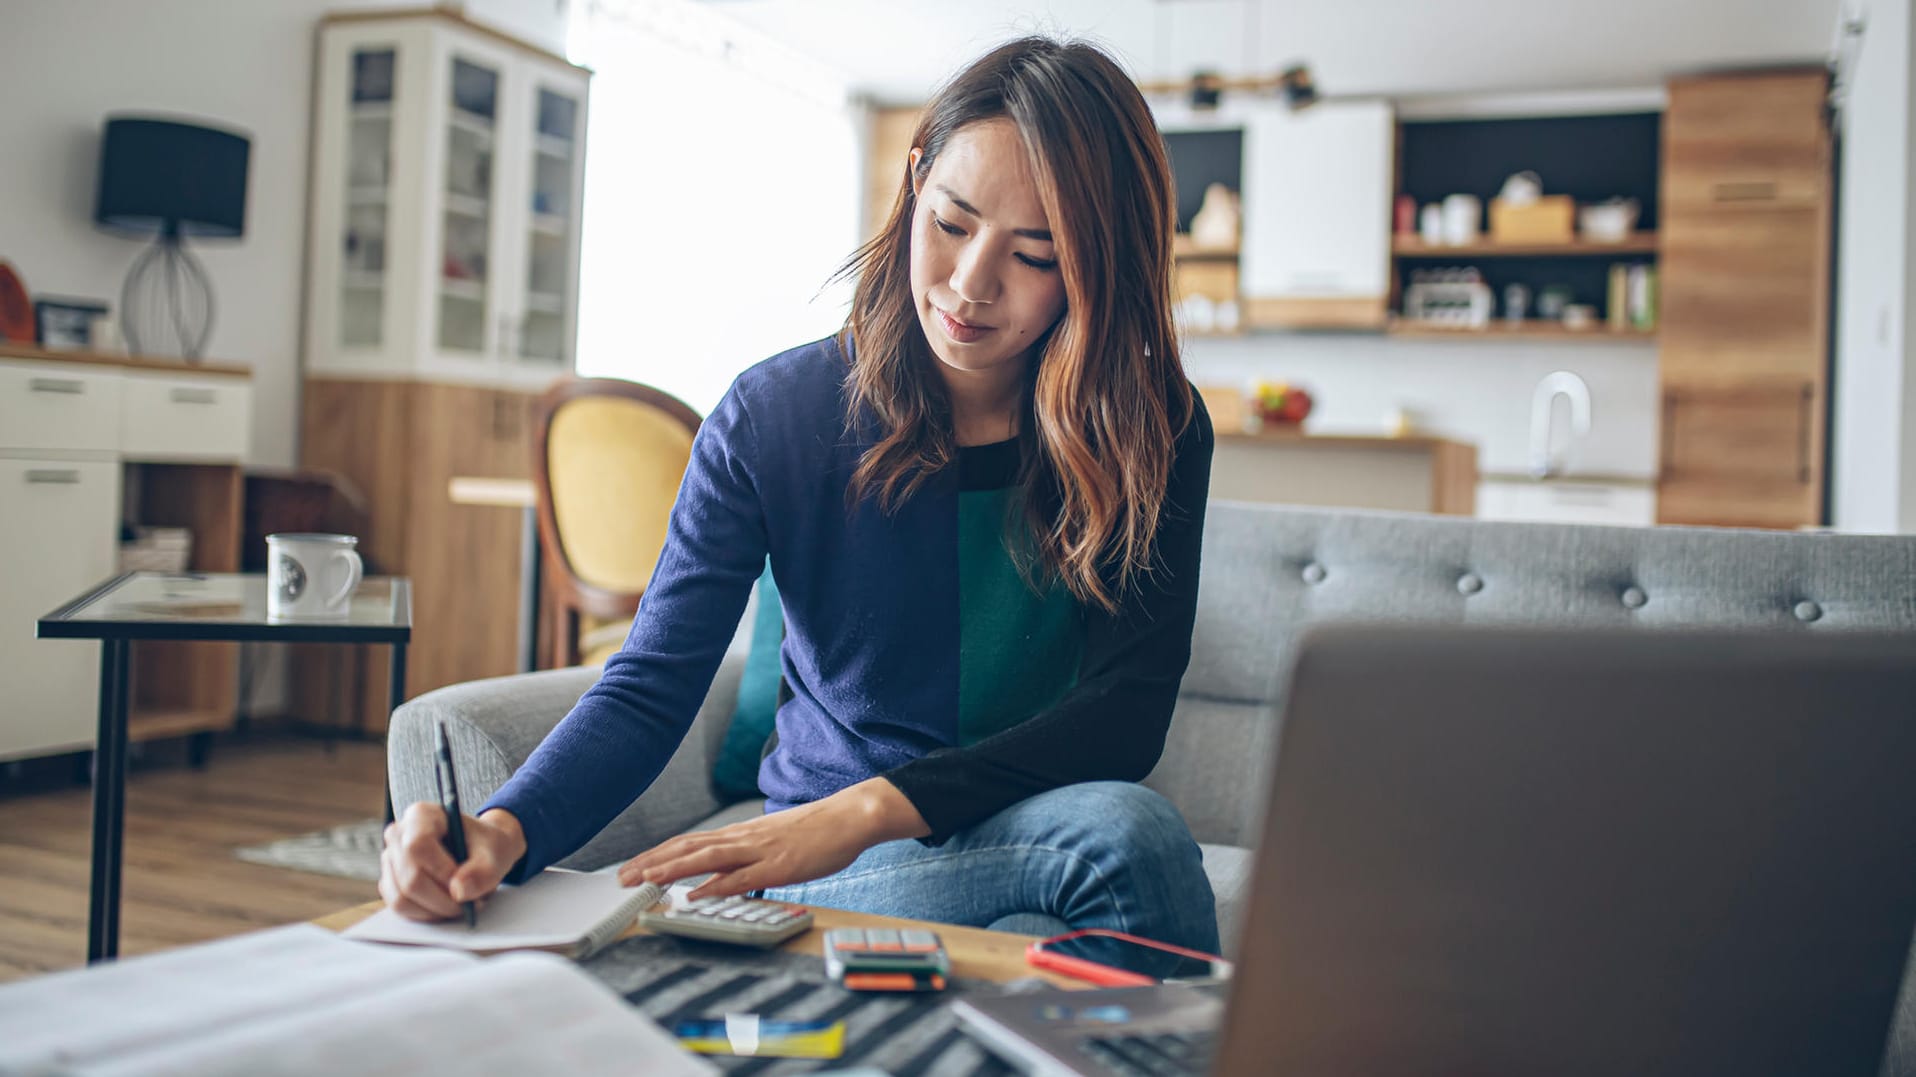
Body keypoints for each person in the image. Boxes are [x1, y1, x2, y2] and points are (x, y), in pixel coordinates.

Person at [379, 34, 1219, 951]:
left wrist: (864, 808)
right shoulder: (775, 415)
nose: (972, 285)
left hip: (1014, 822)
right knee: (1122, 850)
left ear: (1100, 266)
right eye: (951, 223)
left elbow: (1126, 713)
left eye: (1037, 254)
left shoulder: (1151, 425)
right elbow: (651, 684)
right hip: (836, 859)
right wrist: (500, 832)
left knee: (1109, 845)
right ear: (913, 183)